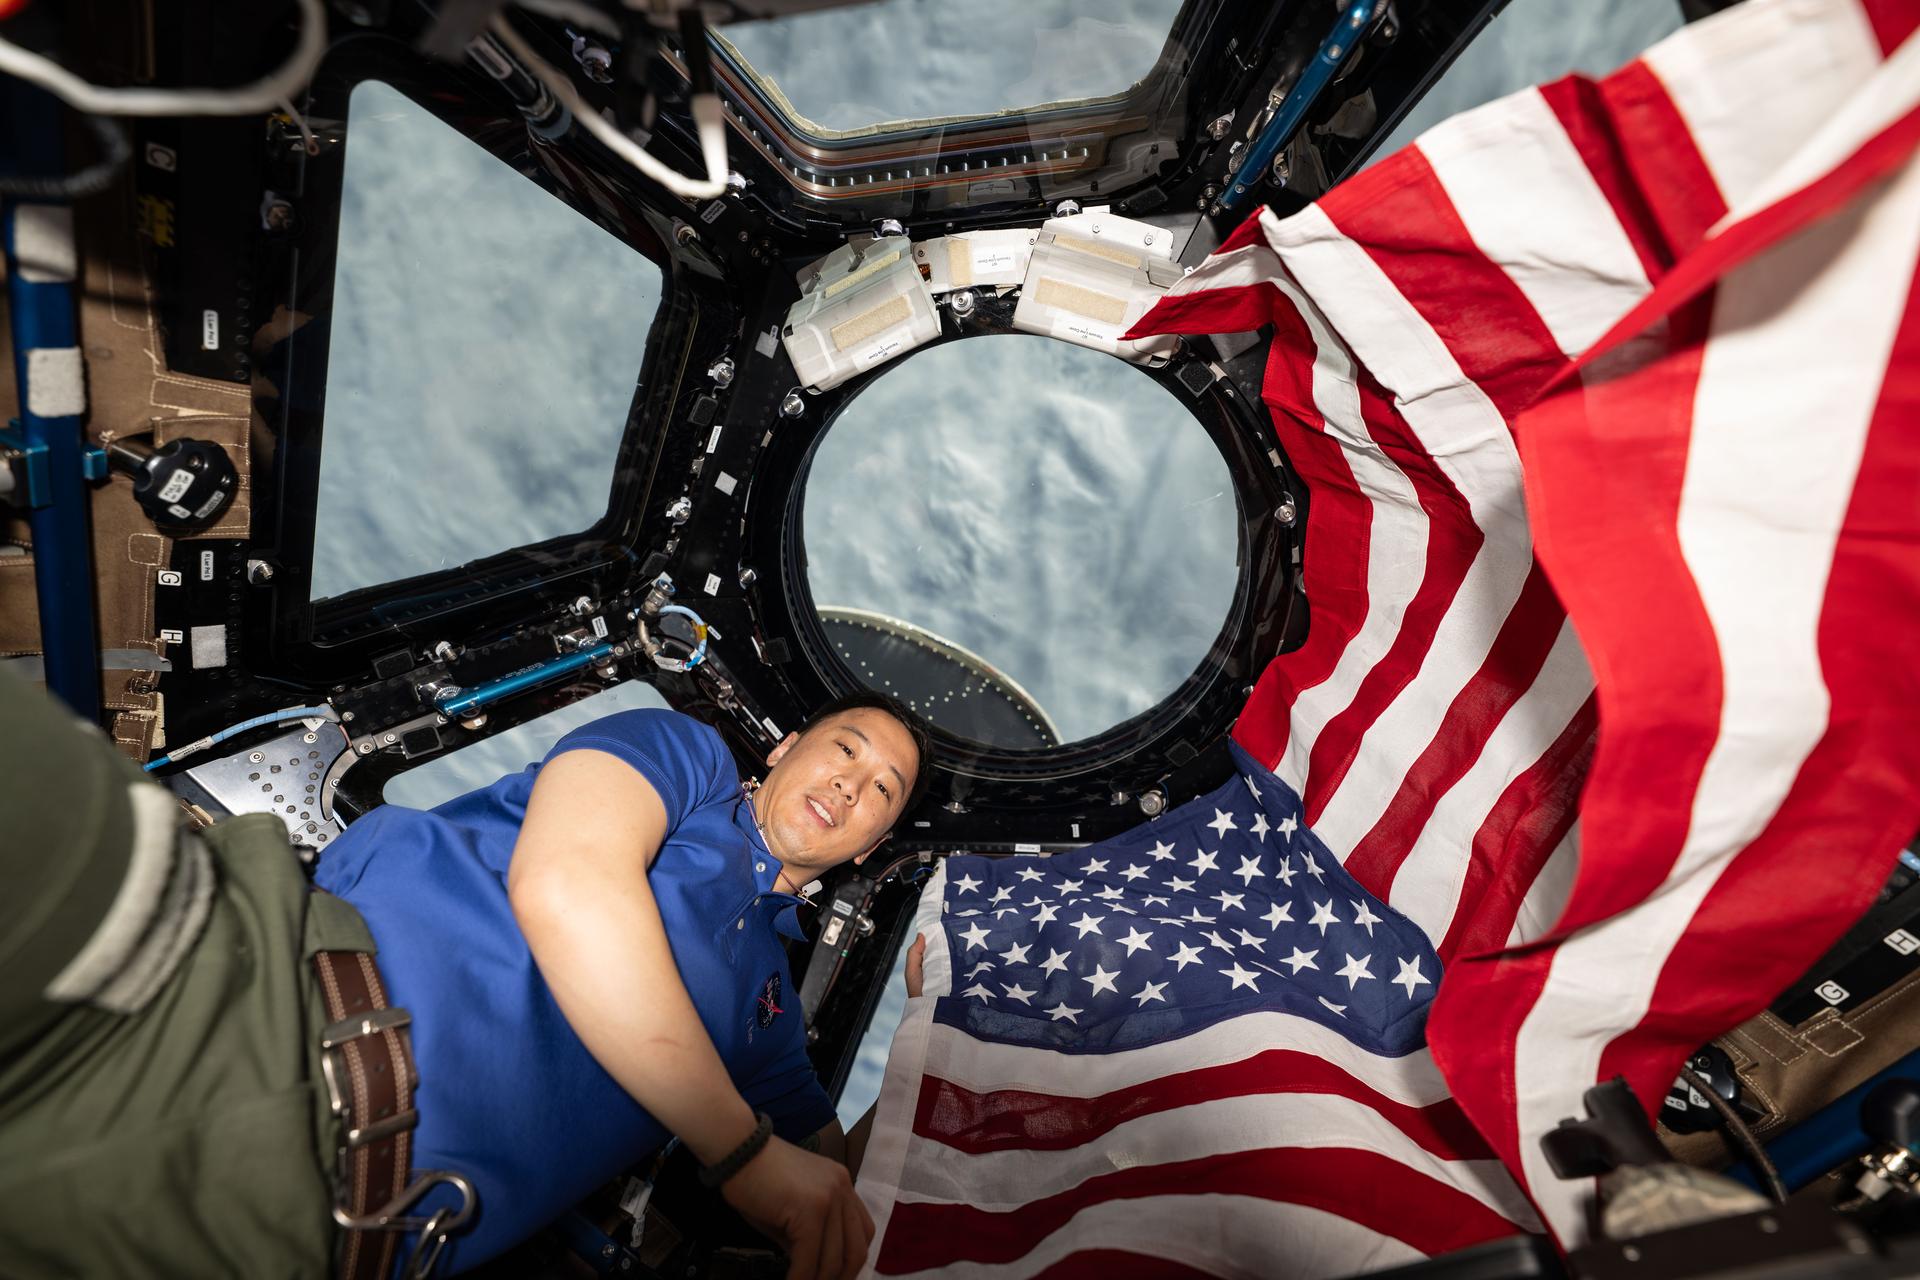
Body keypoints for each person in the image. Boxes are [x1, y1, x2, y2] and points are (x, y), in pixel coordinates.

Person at [0, 667, 927, 1280]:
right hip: (241, 984)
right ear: (781, 751)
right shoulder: (686, 758)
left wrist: (943, 1021)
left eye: (883, 789)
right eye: (845, 747)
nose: (855, 782)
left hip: (312, 1229)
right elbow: (567, 882)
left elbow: (844, 1186)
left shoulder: (765, 1017)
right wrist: (741, 1151)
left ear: (875, 841)